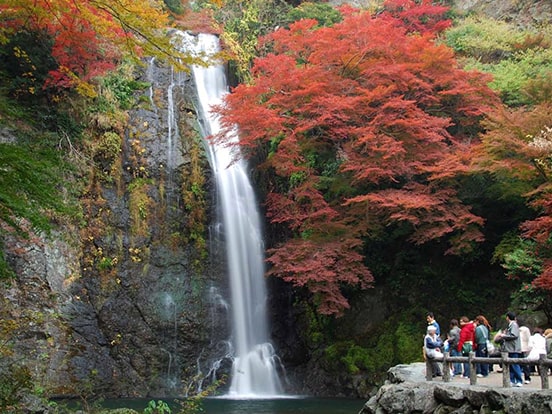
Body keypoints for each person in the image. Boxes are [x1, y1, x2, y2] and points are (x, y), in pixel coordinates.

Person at [494, 311, 523, 387]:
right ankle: (512, 380)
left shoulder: (514, 325)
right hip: (509, 348)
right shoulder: (511, 325)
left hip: (513, 348)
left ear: (508, 317)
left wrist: (503, 335)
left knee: (514, 364)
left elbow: (514, 335)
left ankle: (519, 380)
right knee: (510, 365)